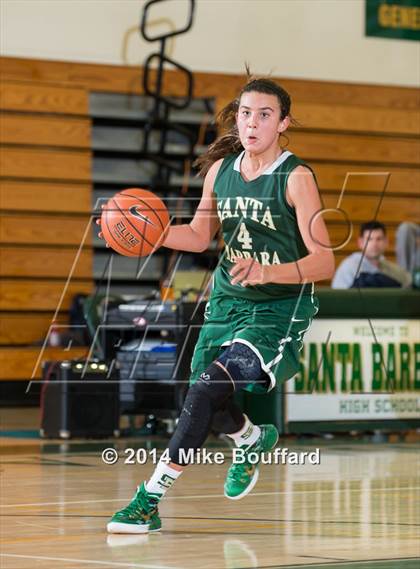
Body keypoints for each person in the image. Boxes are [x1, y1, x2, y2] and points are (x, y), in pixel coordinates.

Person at [99, 76, 335, 534]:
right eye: (245, 113)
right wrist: (148, 231)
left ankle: (149, 498)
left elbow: (323, 260)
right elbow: (199, 235)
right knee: (201, 393)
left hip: (278, 307)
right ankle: (250, 438)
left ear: (282, 123)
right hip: (228, 300)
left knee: (207, 388)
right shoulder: (220, 171)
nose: (252, 123)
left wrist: (268, 271)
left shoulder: (296, 177)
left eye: (265, 115)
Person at [332, 221, 412, 289]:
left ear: (386, 242)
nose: (374, 244)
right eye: (369, 239)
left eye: (379, 239)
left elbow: (409, 281)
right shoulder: (349, 267)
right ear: (360, 242)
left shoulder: (389, 267)